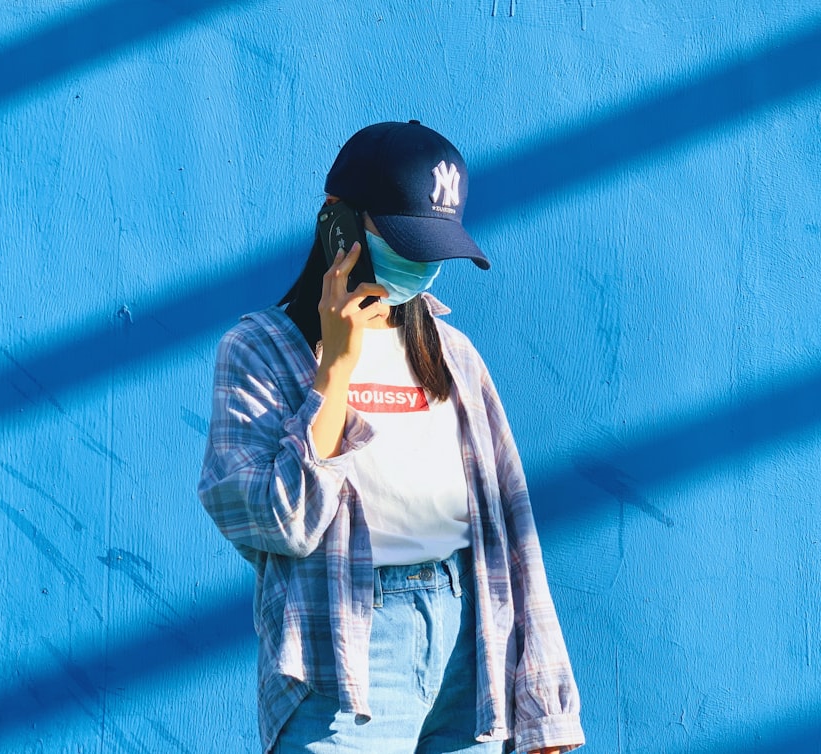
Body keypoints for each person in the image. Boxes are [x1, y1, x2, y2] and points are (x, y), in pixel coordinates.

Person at [198, 120, 584, 754]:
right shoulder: (258, 352)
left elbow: (511, 528)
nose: (422, 267)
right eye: (405, 243)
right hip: (345, 658)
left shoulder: (452, 355)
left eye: (433, 250)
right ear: (338, 225)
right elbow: (277, 522)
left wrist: (545, 702)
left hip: (473, 648)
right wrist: (336, 373)